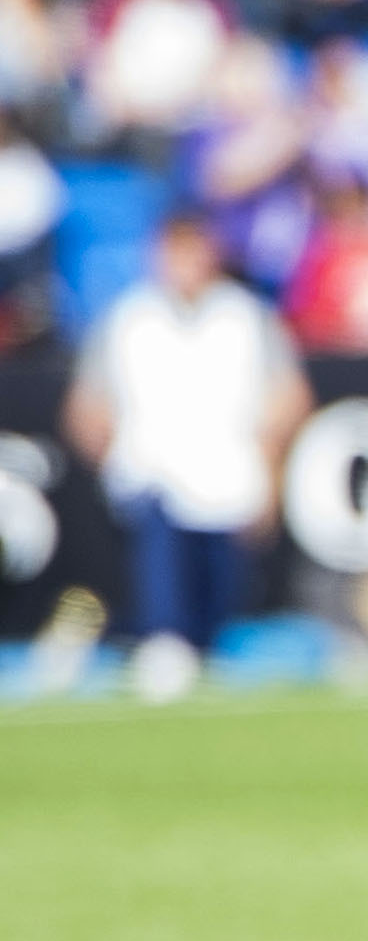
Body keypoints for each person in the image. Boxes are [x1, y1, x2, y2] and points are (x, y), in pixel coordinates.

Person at [62, 211, 312, 701]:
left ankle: (202, 645)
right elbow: (86, 406)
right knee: (162, 567)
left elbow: (288, 397)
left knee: (219, 596)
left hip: (228, 473)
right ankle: (163, 643)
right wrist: (109, 452)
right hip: (151, 472)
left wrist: (269, 468)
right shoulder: (128, 318)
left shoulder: (245, 316)